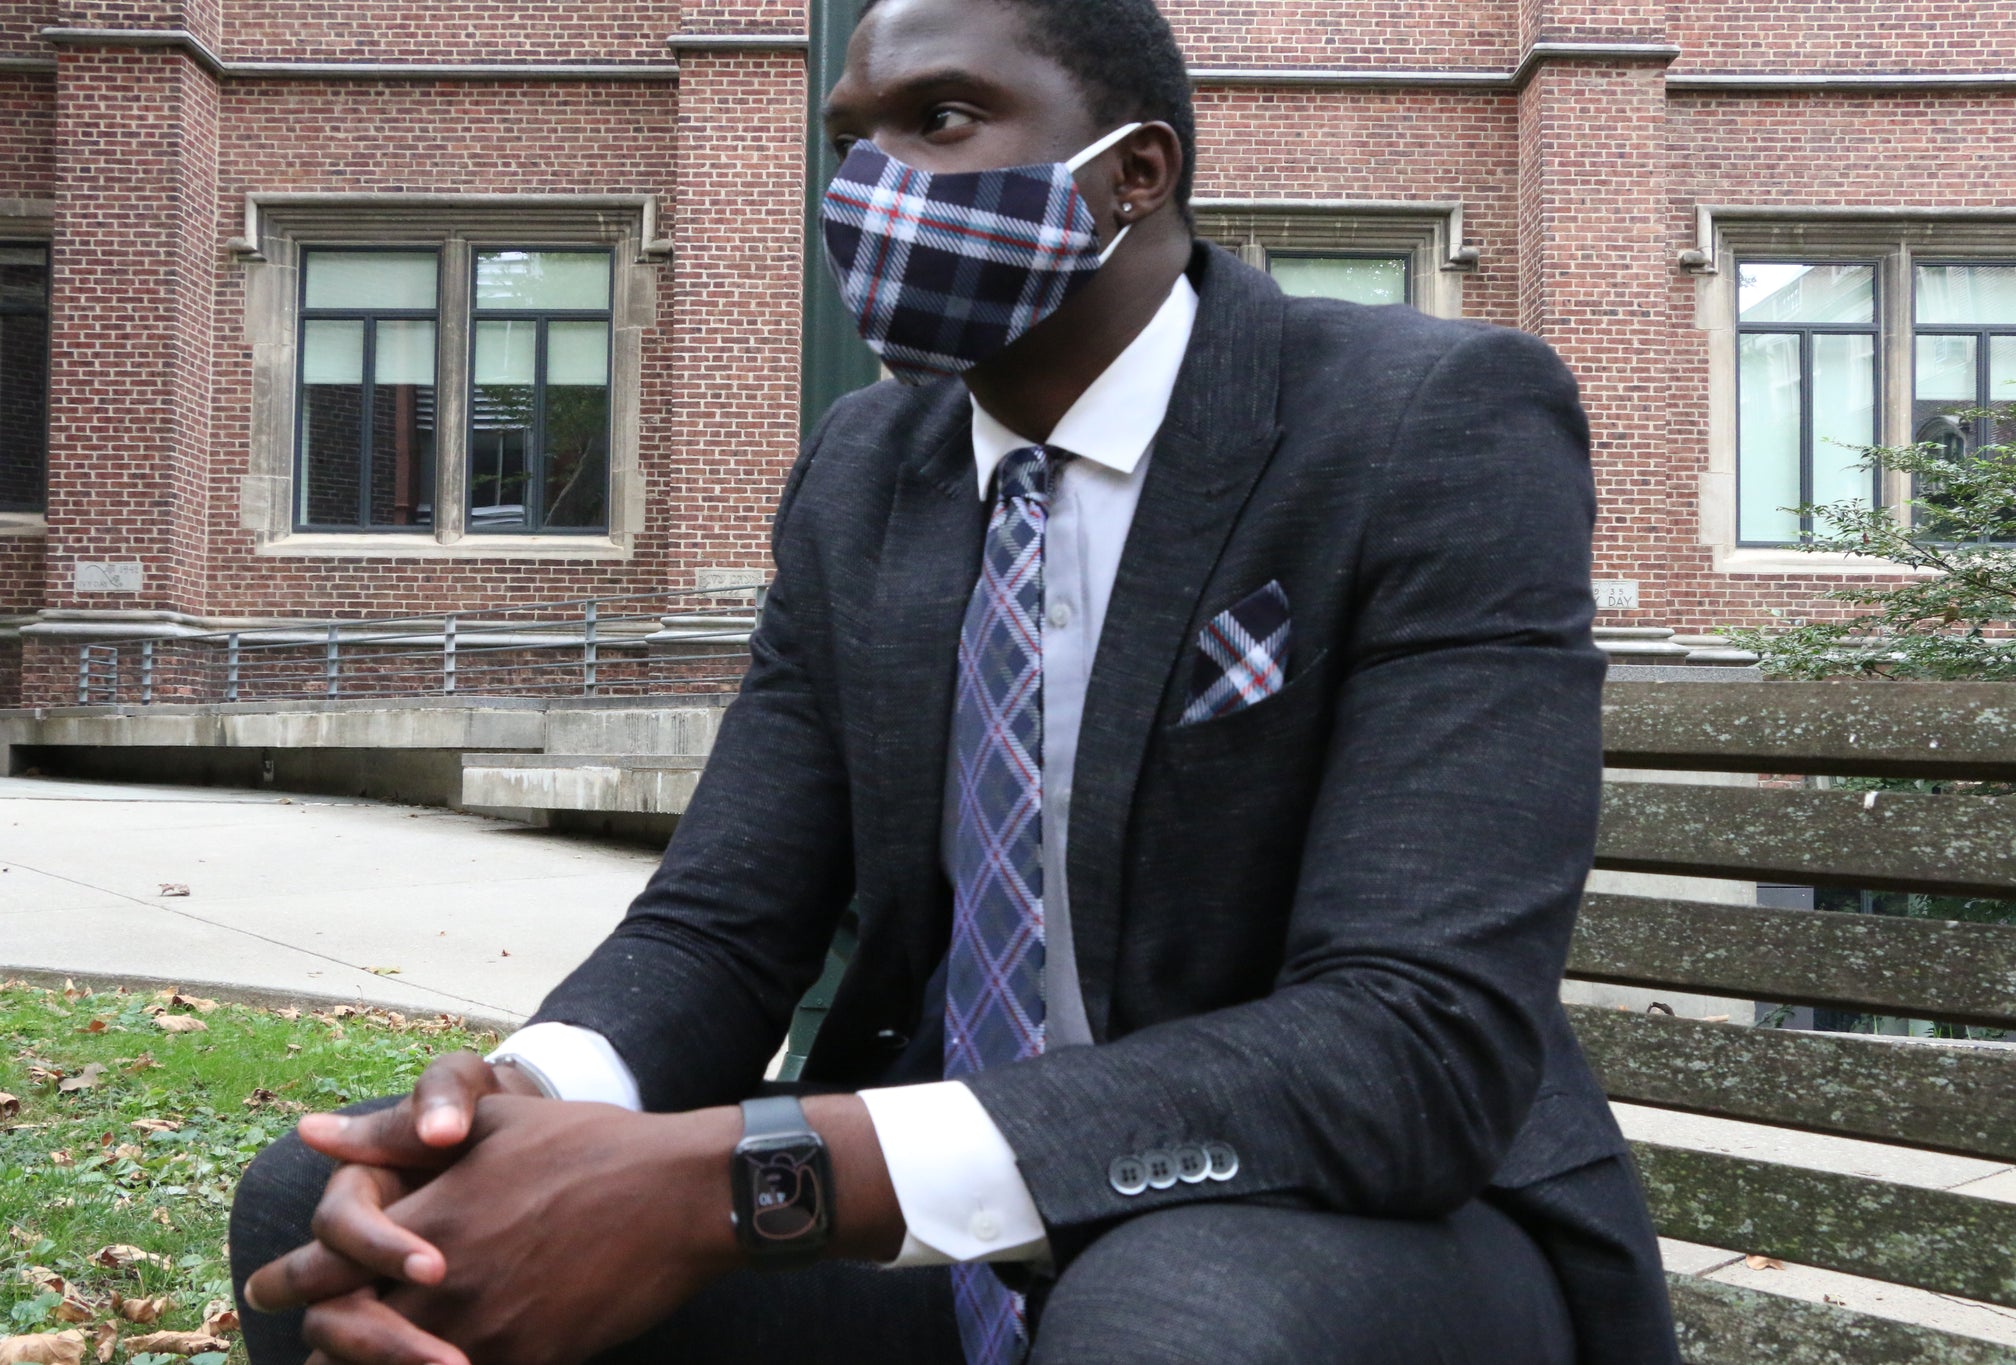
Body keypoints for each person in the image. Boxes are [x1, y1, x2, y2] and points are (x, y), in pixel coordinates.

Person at [228, 0, 1683, 1359]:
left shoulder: (1428, 422)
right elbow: (724, 924)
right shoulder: (867, 471)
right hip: (946, 1209)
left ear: (1134, 174)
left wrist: (748, 1176)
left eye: (939, 120)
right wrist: (525, 1098)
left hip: (1369, 1208)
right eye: (849, 140)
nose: (872, 187)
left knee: (1167, 1312)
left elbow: (1410, 1036)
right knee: (353, 1215)